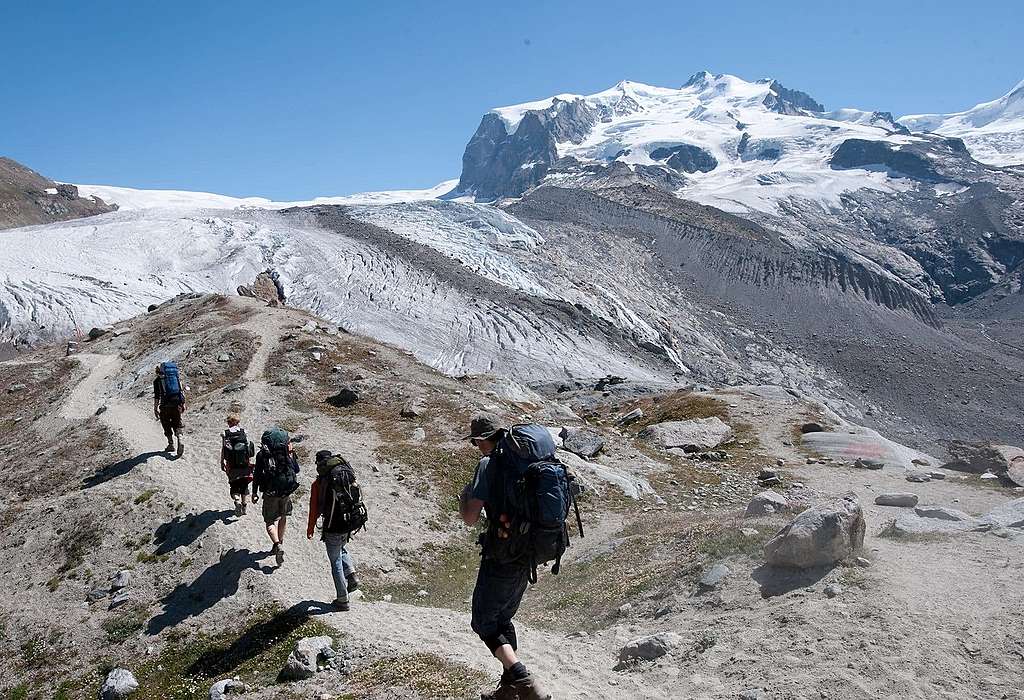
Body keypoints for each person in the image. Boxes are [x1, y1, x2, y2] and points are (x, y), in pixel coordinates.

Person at [459, 414, 551, 700]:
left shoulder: (489, 464)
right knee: (502, 618)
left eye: (475, 442)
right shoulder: (527, 463)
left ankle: (524, 680)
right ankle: (509, 689)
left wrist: (464, 498)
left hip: (502, 554)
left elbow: (470, 518)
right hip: (529, 551)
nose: (476, 447)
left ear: (482, 439)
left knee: (483, 622)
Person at [307, 450, 366, 611]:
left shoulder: (318, 484)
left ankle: (342, 599)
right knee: (341, 547)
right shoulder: (344, 475)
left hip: (333, 525)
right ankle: (352, 575)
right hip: (349, 522)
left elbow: (314, 509)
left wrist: (310, 528)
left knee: (335, 562)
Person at [252, 427, 300, 566]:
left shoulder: (262, 455)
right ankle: (280, 541)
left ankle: (277, 544)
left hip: (270, 492)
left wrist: (254, 492)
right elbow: (296, 470)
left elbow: (257, 475)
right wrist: (291, 453)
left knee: (269, 521)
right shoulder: (287, 453)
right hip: (286, 490)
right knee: (283, 516)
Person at [220, 414, 254, 517]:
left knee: (234, 484)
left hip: (232, 465)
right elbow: (248, 449)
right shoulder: (244, 432)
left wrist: (222, 462)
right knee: (244, 484)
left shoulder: (225, 433)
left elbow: (223, 449)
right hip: (244, 464)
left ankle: (237, 501)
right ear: (238, 422)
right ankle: (244, 506)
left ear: (229, 423)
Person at [153, 362, 185, 456]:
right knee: (177, 422)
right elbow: (181, 391)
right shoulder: (175, 377)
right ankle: (180, 439)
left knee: (166, 423)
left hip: (165, 406)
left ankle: (171, 444)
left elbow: (157, 396)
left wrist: (155, 408)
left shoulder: (157, 381)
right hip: (177, 403)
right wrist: (183, 404)